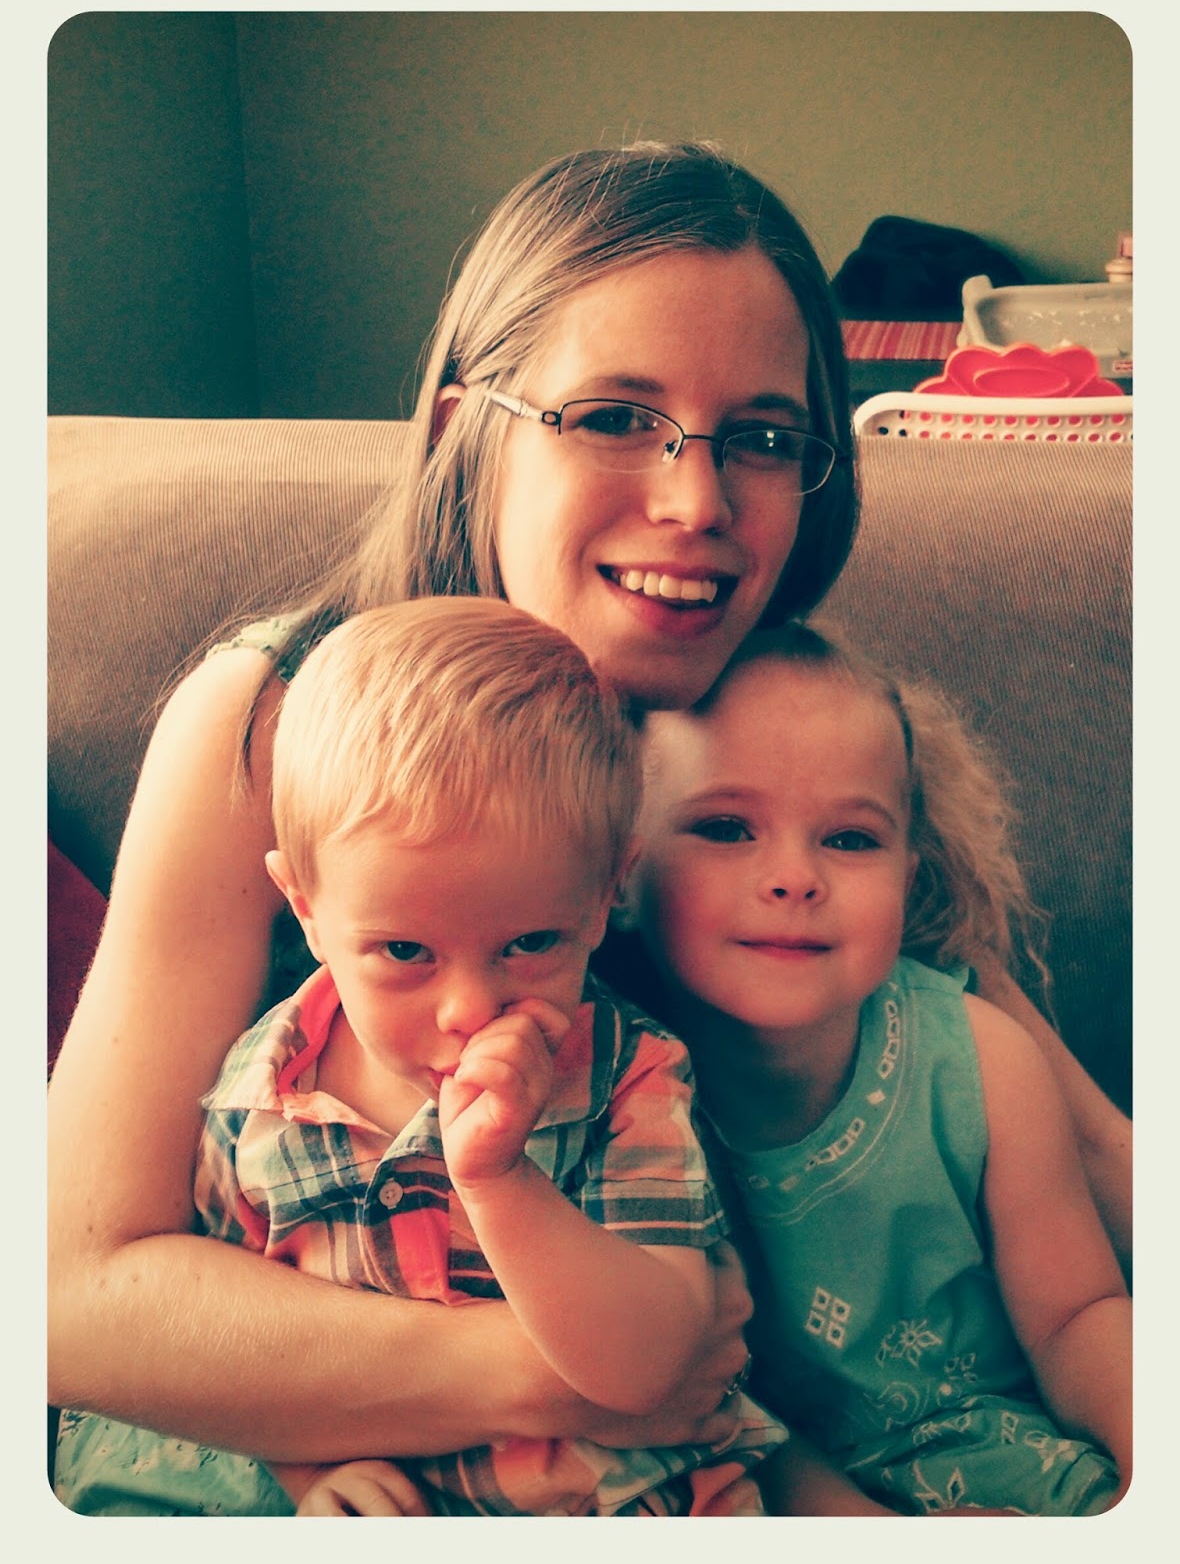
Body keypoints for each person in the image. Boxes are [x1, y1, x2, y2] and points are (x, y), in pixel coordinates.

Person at [48, 139, 1130, 1472]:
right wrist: (553, 1372)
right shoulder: (275, 713)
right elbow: (70, 1294)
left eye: (762, 439)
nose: (695, 500)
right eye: (615, 416)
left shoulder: (786, 734)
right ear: (466, 433)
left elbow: (1087, 1143)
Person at [55, 597, 791, 1516]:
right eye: (405, 952)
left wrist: (499, 1183)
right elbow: (224, 1366)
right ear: (305, 908)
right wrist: (311, 1476)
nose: (469, 1009)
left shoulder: (627, 1077)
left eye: (531, 944)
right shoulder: (260, 1097)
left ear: (608, 892)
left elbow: (651, 1367)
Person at [623, 620, 1131, 1516]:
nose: (795, 876)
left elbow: (1077, 1315)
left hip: (1019, 1465)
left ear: (909, 867)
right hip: (772, 1494)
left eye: (852, 840)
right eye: (727, 828)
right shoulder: (614, 1101)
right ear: (619, 874)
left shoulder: (982, 1061)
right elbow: (718, 1410)